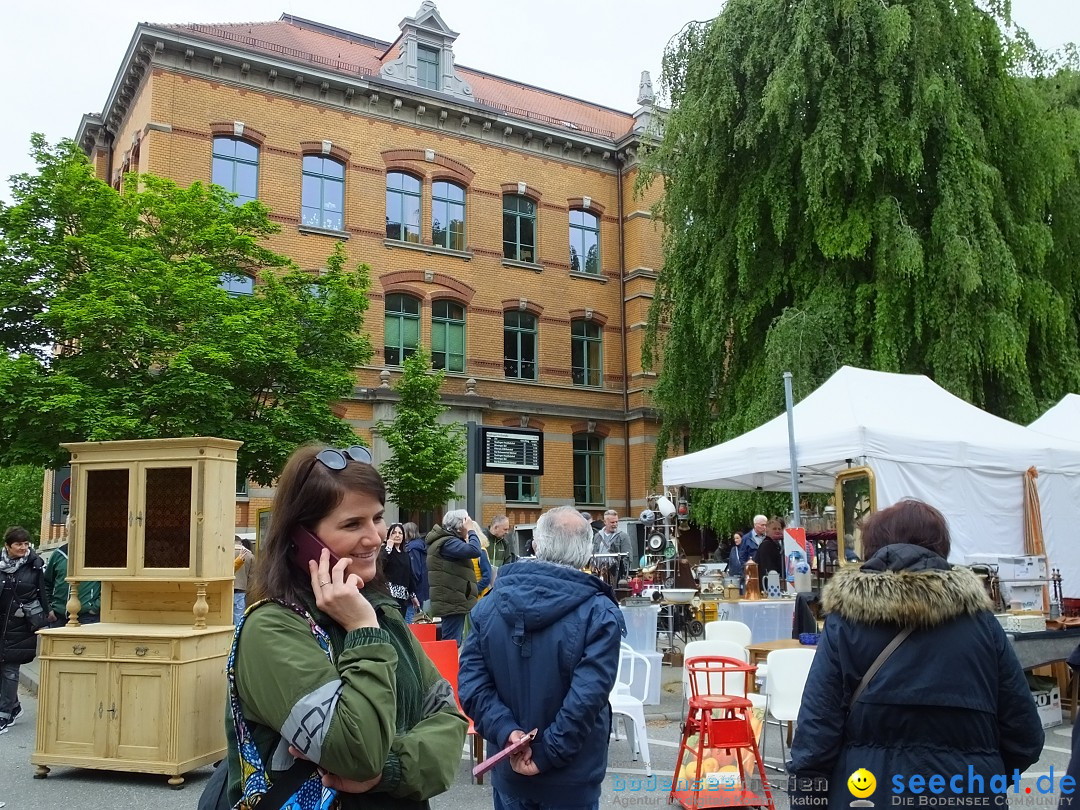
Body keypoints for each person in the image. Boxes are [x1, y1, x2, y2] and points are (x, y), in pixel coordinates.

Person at [227, 444, 467, 809]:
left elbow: (448, 717)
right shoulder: (273, 628)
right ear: (302, 539)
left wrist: (391, 768)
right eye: (352, 524)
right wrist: (362, 631)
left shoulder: (380, 611)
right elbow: (357, 752)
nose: (375, 537)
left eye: (377, 517)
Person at [788, 499, 1044, 807]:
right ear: (941, 547)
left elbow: (816, 734)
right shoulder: (983, 624)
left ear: (874, 548)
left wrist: (808, 799)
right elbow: (1025, 736)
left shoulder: (846, 622)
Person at [459, 506, 625, 810]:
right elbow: (588, 697)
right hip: (568, 776)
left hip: (516, 767)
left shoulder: (490, 603)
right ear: (588, 553)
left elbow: (471, 685)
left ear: (536, 545)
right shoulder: (600, 612)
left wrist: (508, 732)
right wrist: (541, 749)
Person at [1, 526, 49, 734]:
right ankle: (15, 705)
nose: (23, 548)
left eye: (26, 544)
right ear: (7, 546)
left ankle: (4, 715)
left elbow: (43, 593)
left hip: (21, 625)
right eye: (18, 544)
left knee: (10, 670)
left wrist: (45, 618)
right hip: (1, 624)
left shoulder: (35, 565)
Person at [425, 509, 482, 647]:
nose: (470, 524)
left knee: (452, 642)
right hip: (452, 601)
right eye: (466, 521)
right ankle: (446, 668)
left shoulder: (447, 541)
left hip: (452, 599)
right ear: (459, 526)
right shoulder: (448, 543)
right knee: (451, 644)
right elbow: (475, 550)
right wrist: (471, 531)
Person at [42, 519, 101, 627]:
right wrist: (49, 608)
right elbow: (46, 583)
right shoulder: (58, 554)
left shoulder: (99, 555)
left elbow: (108, 584)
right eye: (73, 528)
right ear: (67, 530)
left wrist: (95, 607)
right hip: (58, 617)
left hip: (88, 617)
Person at [381, 522, 415, 617]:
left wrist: (413, 595)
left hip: (402, 596)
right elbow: (380, 565)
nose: (397, 535)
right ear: (389, 536)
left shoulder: (405, 555)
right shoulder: (385, 550)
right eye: (394, 533)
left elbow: (409, 575)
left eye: (400, 533)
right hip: (388, 594)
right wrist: (388, 548)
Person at [728, 514, 766, 579]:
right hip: (752, 573)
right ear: (755, 525)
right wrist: (747, 570)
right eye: (762, 525)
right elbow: (742, 556)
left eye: (766, 525)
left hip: (765, 571)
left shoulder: (767, 537)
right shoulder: (746, 538)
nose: (764, 527)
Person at [403, 522, 427, 623]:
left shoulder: (412, 549)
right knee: (417, 616)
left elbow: (414, 570)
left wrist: (411, 589)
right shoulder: (420, 546)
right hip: (421, 587)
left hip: (415, 588)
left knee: (410, 617)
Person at [753, 518, 785, 588]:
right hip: (768, 585)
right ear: (767, 530)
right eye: (774, 529)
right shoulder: (766, 545)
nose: (777, 531)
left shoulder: (776, 545)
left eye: (779, 529)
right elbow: (767, 568)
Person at [232, 535, 254, 624]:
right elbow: (252, 577)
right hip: (241, 589)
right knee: (239, 618)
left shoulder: (224, 553)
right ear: (240, 543)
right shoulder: (250, 556)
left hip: (225, 589)